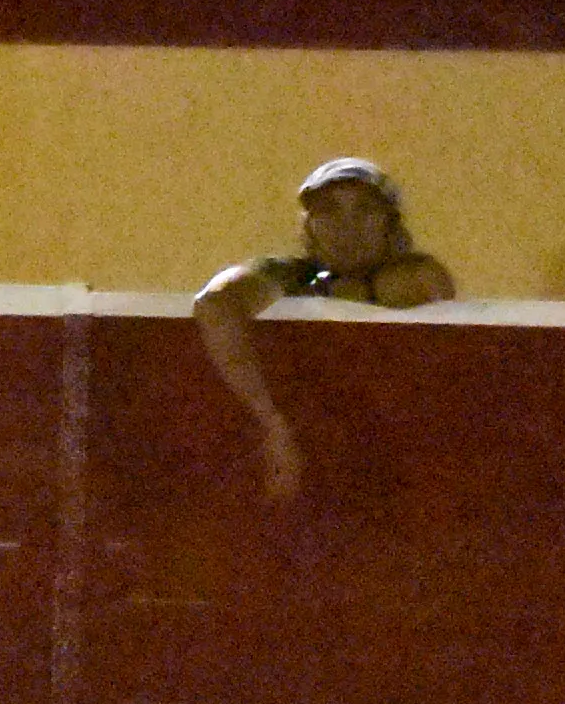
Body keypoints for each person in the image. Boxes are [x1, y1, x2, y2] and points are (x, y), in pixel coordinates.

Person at [192, 157, 455, 506]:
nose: (347, 227)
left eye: (364, 211)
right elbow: (216, 303)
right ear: (310, 227)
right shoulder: (291, 274)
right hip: (313, 469)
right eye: (329, 212)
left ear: (390, 225)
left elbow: (417, 287)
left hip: (408, 475)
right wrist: (270, 420)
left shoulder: (418, 270)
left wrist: (342, 292)